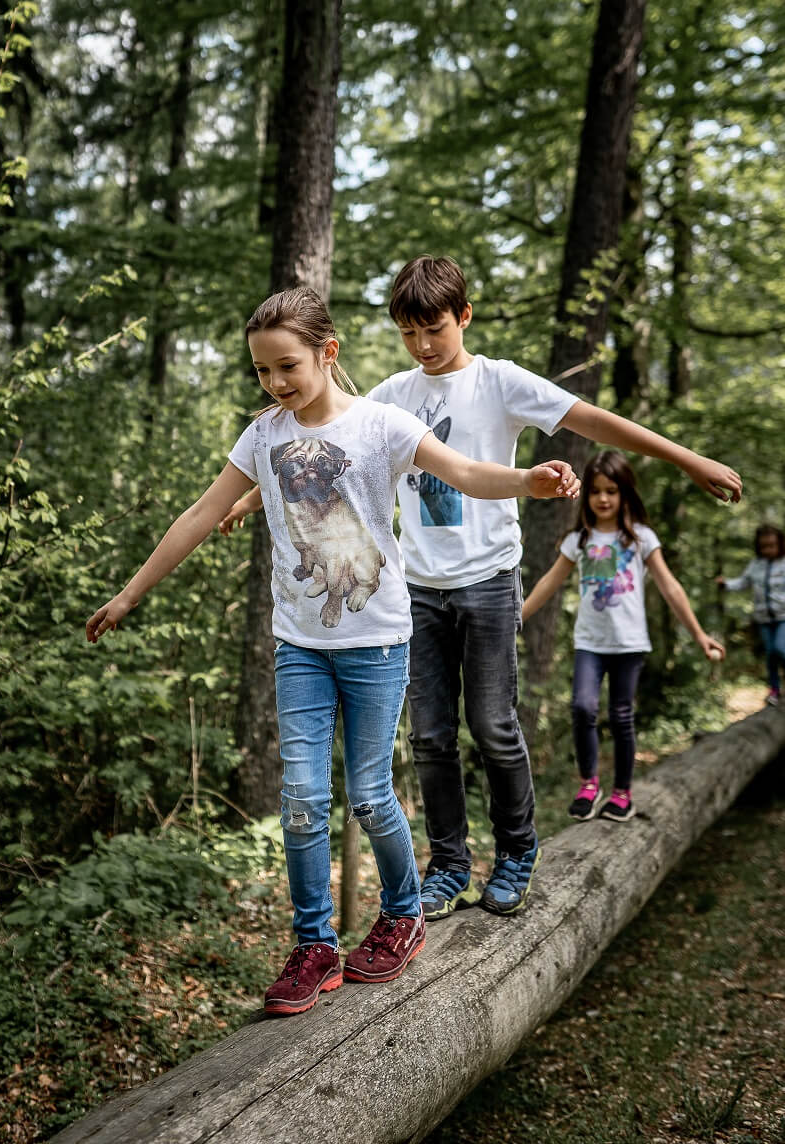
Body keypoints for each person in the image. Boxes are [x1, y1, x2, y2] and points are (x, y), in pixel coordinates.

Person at [86, 286, 579, 1016]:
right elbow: (203, 510)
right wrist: (131, 592)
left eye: (287, 366)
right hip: (300, 646)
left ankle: (402, 912)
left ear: (327, 352)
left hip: (375, 643)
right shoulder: (262, 436)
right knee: (300, 802)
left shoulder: (383, 424)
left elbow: (464, 473)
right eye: (261, 372)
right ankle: (313, 945)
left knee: (370, 796)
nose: (276, 383)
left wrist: (527, 481)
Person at [222, 257, 742, 920]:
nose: (422, 345)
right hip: (416, 590)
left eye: (433, 328)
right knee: (431, 735)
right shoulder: (390, 394)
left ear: (463, 316)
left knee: (492, 725)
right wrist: (245, 502)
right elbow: (320, 443)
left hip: (488, 581)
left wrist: (687, 459)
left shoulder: (498, 383)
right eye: (408, 332)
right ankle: (448, 864)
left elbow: (594, 420)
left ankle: (517, 852)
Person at [522, 450, 726, 823]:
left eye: (611, 491)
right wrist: (517, 616)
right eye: (597, 491)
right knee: (583, 707)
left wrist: (699, 636)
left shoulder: (641, 538)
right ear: (587, 497)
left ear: (624, 493)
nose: (603, 498)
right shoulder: (579, 540)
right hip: (590, 643)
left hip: (629, 644)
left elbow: (670, 588)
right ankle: (588, 784)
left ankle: (622, 794)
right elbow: (551, 581)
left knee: (621, 717)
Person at [717, 524, 785, 706]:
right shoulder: (756, 565)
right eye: (764, 546)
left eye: (772, 545)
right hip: (763, 618)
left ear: (780, 544)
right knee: (771, 654)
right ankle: (775, 690)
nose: (768, 550)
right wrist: (727, 584)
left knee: (781, 649)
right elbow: (743, 582)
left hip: (783, 617)